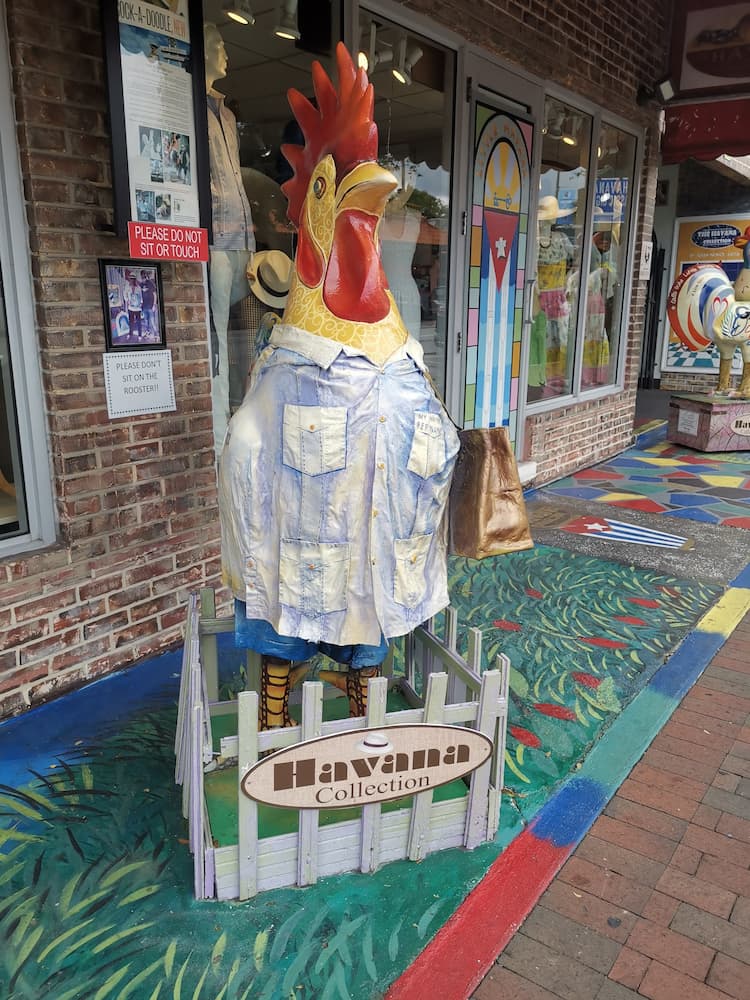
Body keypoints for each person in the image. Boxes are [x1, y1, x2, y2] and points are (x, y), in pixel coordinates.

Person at [204, 22, 256, 458]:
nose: (226, 52)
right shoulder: (189, 106)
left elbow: (234, 177)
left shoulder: (226, 114)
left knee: (246, 337)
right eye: (218, 44)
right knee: (218, 340)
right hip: (214, 240)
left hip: (241, 237)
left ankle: (244, 422)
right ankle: (220, 438)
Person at [123, 275, 143, 340]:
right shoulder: (127, 287)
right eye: (131, 279)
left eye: (133, 279)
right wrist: (127, 300)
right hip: (130, 308)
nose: (132, 280)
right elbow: (124, 294)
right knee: (131, 322)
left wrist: (141, 303)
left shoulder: (138, 287)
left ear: (135, 280)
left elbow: (141, 296)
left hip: (138, 308)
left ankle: (140, 335)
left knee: (139, 322)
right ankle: (130, 333)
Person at [140, 270, 157, 338]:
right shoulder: (141, 285)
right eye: (142, 275)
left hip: (151, 306)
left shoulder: (150, 283)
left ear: (146, 275)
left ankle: (156, 334)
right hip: (144, 307)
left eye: (144, 275)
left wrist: (154, 305)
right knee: (146, 321)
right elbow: (140, 296)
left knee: (153, 321)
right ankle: (147, 333)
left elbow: (155, 294)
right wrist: (141, 306)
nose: (143, 276)